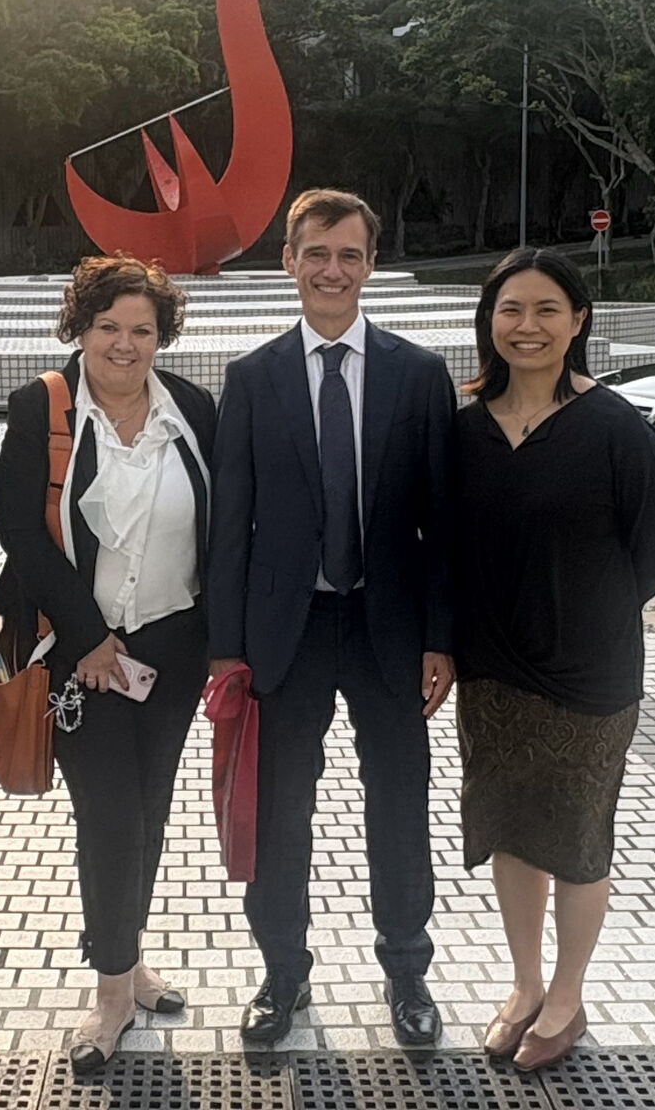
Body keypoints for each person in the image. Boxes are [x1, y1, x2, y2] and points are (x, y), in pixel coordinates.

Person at [207, 188, 456, 1048]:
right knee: (281, 812)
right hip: (288, 633)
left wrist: (440, 637)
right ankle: (282, 977)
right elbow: (227, 525)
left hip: (388, 628)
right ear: (289, 261)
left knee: (399, 803)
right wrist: (224, 651)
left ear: (370, 266)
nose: (332, 269)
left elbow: (441, 522)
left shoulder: (418, 377)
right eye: (317, 252)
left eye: (350, 254)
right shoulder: (250, 378)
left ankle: (409, 971)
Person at [0, 256, 216, 1076]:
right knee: (109, 814)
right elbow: (20, 530)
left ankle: (129, 958)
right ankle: (111, 991)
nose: (124, 344)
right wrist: (86, 635)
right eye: (108, 326)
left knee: (150, 808)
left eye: (142, 330)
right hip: (82, 655)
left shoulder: (191, 408)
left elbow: (221, 524)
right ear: (80, 328)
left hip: (175, 648)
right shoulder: (40, 408)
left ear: (164, 336)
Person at [455, 249, 655, 1071]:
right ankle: (524, 984)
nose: (528, 326)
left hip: (589, 678)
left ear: (577, 322)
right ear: (490, 322)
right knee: (512, 832)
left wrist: (588, 617)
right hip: (491, 673)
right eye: (512, 310)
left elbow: (654, 552)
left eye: (548, 310)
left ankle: (569, 995)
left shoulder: (617, 428)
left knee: (579, 841)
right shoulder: (465, 424)